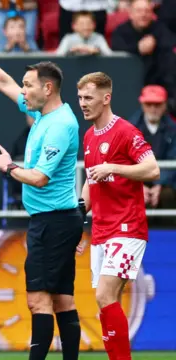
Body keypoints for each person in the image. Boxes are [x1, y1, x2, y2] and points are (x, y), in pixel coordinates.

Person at [0, 22, 83, 360]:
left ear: (47, 88)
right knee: (62, 300)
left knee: (38, 300)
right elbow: (3, 81)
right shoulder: (44, 115)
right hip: (56, 220)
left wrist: (9, 166)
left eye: (28, 85)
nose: (22, 90)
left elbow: (39, 178)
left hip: (52, 222)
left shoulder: (60, 126)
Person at [76, 72, 159, 360]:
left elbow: (152, 169)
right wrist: (77, 218)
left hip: (128, 227)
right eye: (80, 98)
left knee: (104, 296)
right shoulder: (88, 136)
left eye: (88, 98)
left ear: (106, 98)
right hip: (101, 230)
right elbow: (90, 180)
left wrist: (114, 167)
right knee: (106, 303)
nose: (83, 104)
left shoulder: (126, 131)